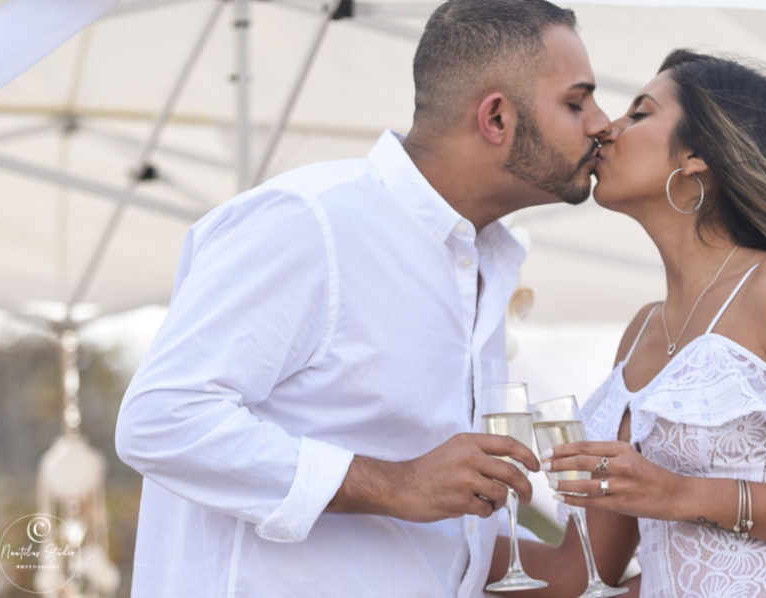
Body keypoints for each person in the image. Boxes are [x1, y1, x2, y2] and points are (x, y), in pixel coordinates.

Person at [114, 1, 609, 596]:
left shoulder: (487, 260)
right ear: (496, 118)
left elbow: (429, 529)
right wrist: (394, 483)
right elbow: (161, 418)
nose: (602, 123)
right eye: (577, 102)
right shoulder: (311, 222)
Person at [503, 50, 766, 597]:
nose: (607, 129)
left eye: (639, 114)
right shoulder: (640, 333)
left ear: (697, 156)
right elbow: (579, 575)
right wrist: (408, 516)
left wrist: (682, 494)